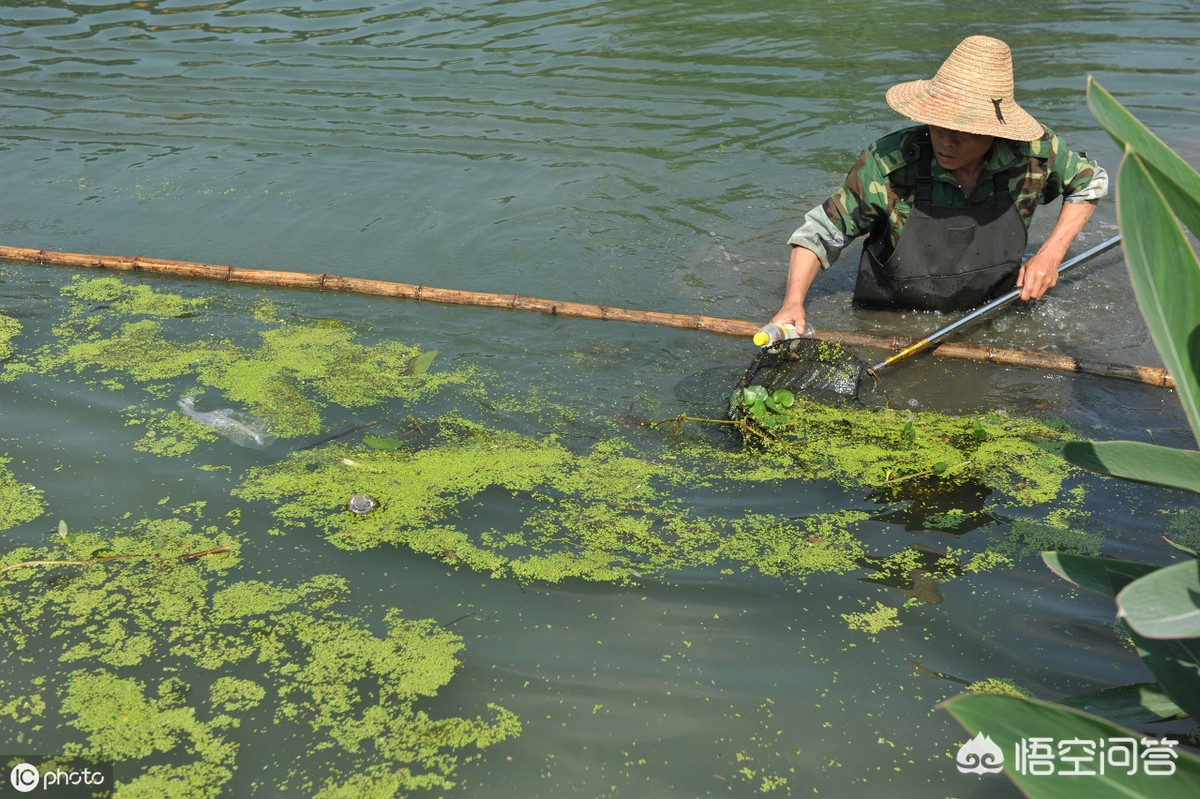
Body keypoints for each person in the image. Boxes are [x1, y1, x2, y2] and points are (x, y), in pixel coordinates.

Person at [770, 35, 1108, 334]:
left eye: (962, 130)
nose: (945, 140)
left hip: (995, 311)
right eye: (937, 124)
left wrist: (1050, 255)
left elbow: (1090, 182)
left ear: (994, 130)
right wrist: (792, 303)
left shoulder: (1034, 153)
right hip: (891, 320)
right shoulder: (889, 164)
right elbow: (818, 234)